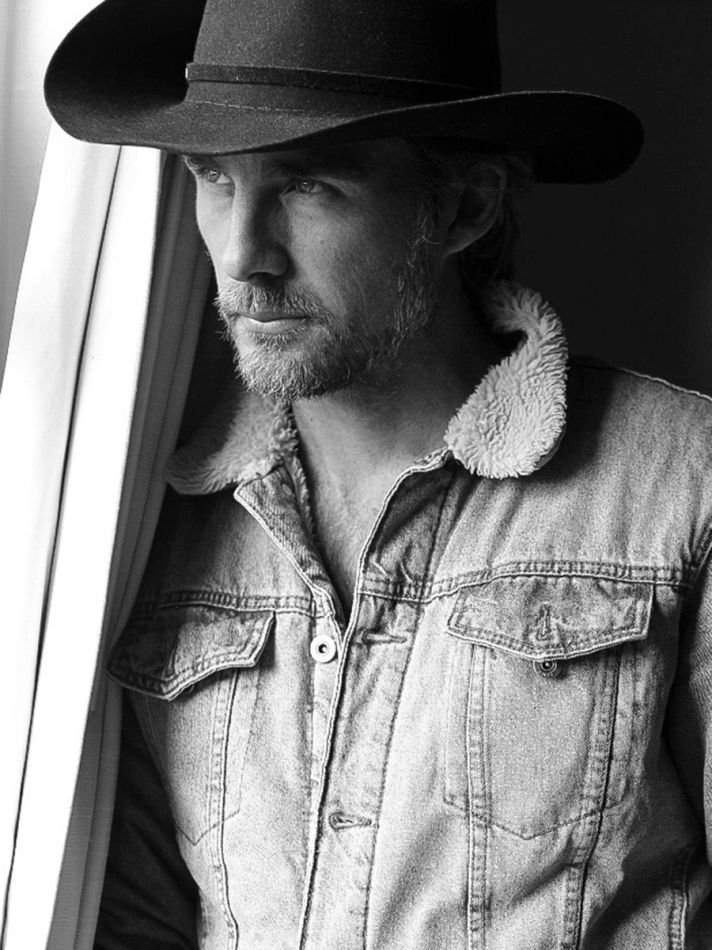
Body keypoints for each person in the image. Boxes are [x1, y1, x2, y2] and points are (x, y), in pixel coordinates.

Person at [45, 0, 712, 947]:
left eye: (308, 185)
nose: (242, 256)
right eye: (215, 178)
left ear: (465, 206)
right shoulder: (150, 522)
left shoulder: (682, 485)